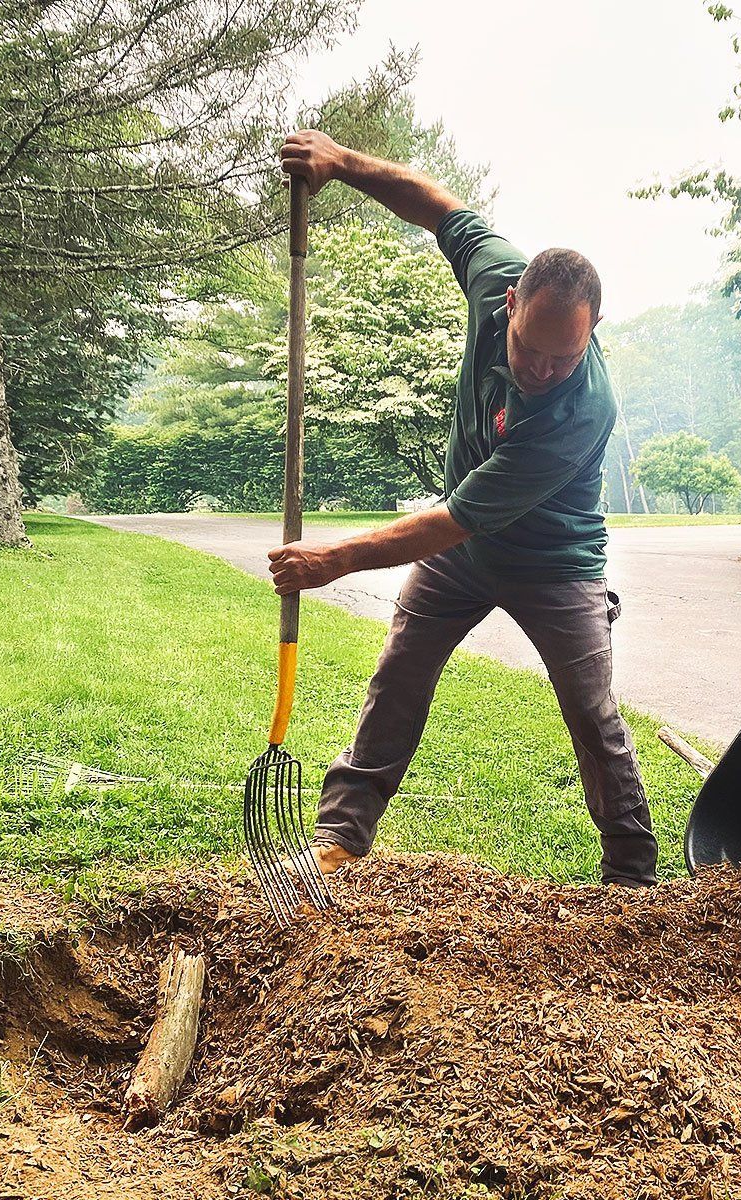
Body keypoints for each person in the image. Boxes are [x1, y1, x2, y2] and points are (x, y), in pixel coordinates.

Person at [270, 130, 657, 887]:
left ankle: (633, 872)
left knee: (591, 713)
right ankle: (341, 835)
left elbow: (455, 517)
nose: (542, 369)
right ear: (509, 302)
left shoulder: (581, 409)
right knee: (400, 672)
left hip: (555, 564)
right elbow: (438, 206)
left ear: (593, 333)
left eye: (565, 356)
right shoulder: (494, 274)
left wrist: (332, 560)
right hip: (463, 558)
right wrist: (342, 163)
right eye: (530, 347)